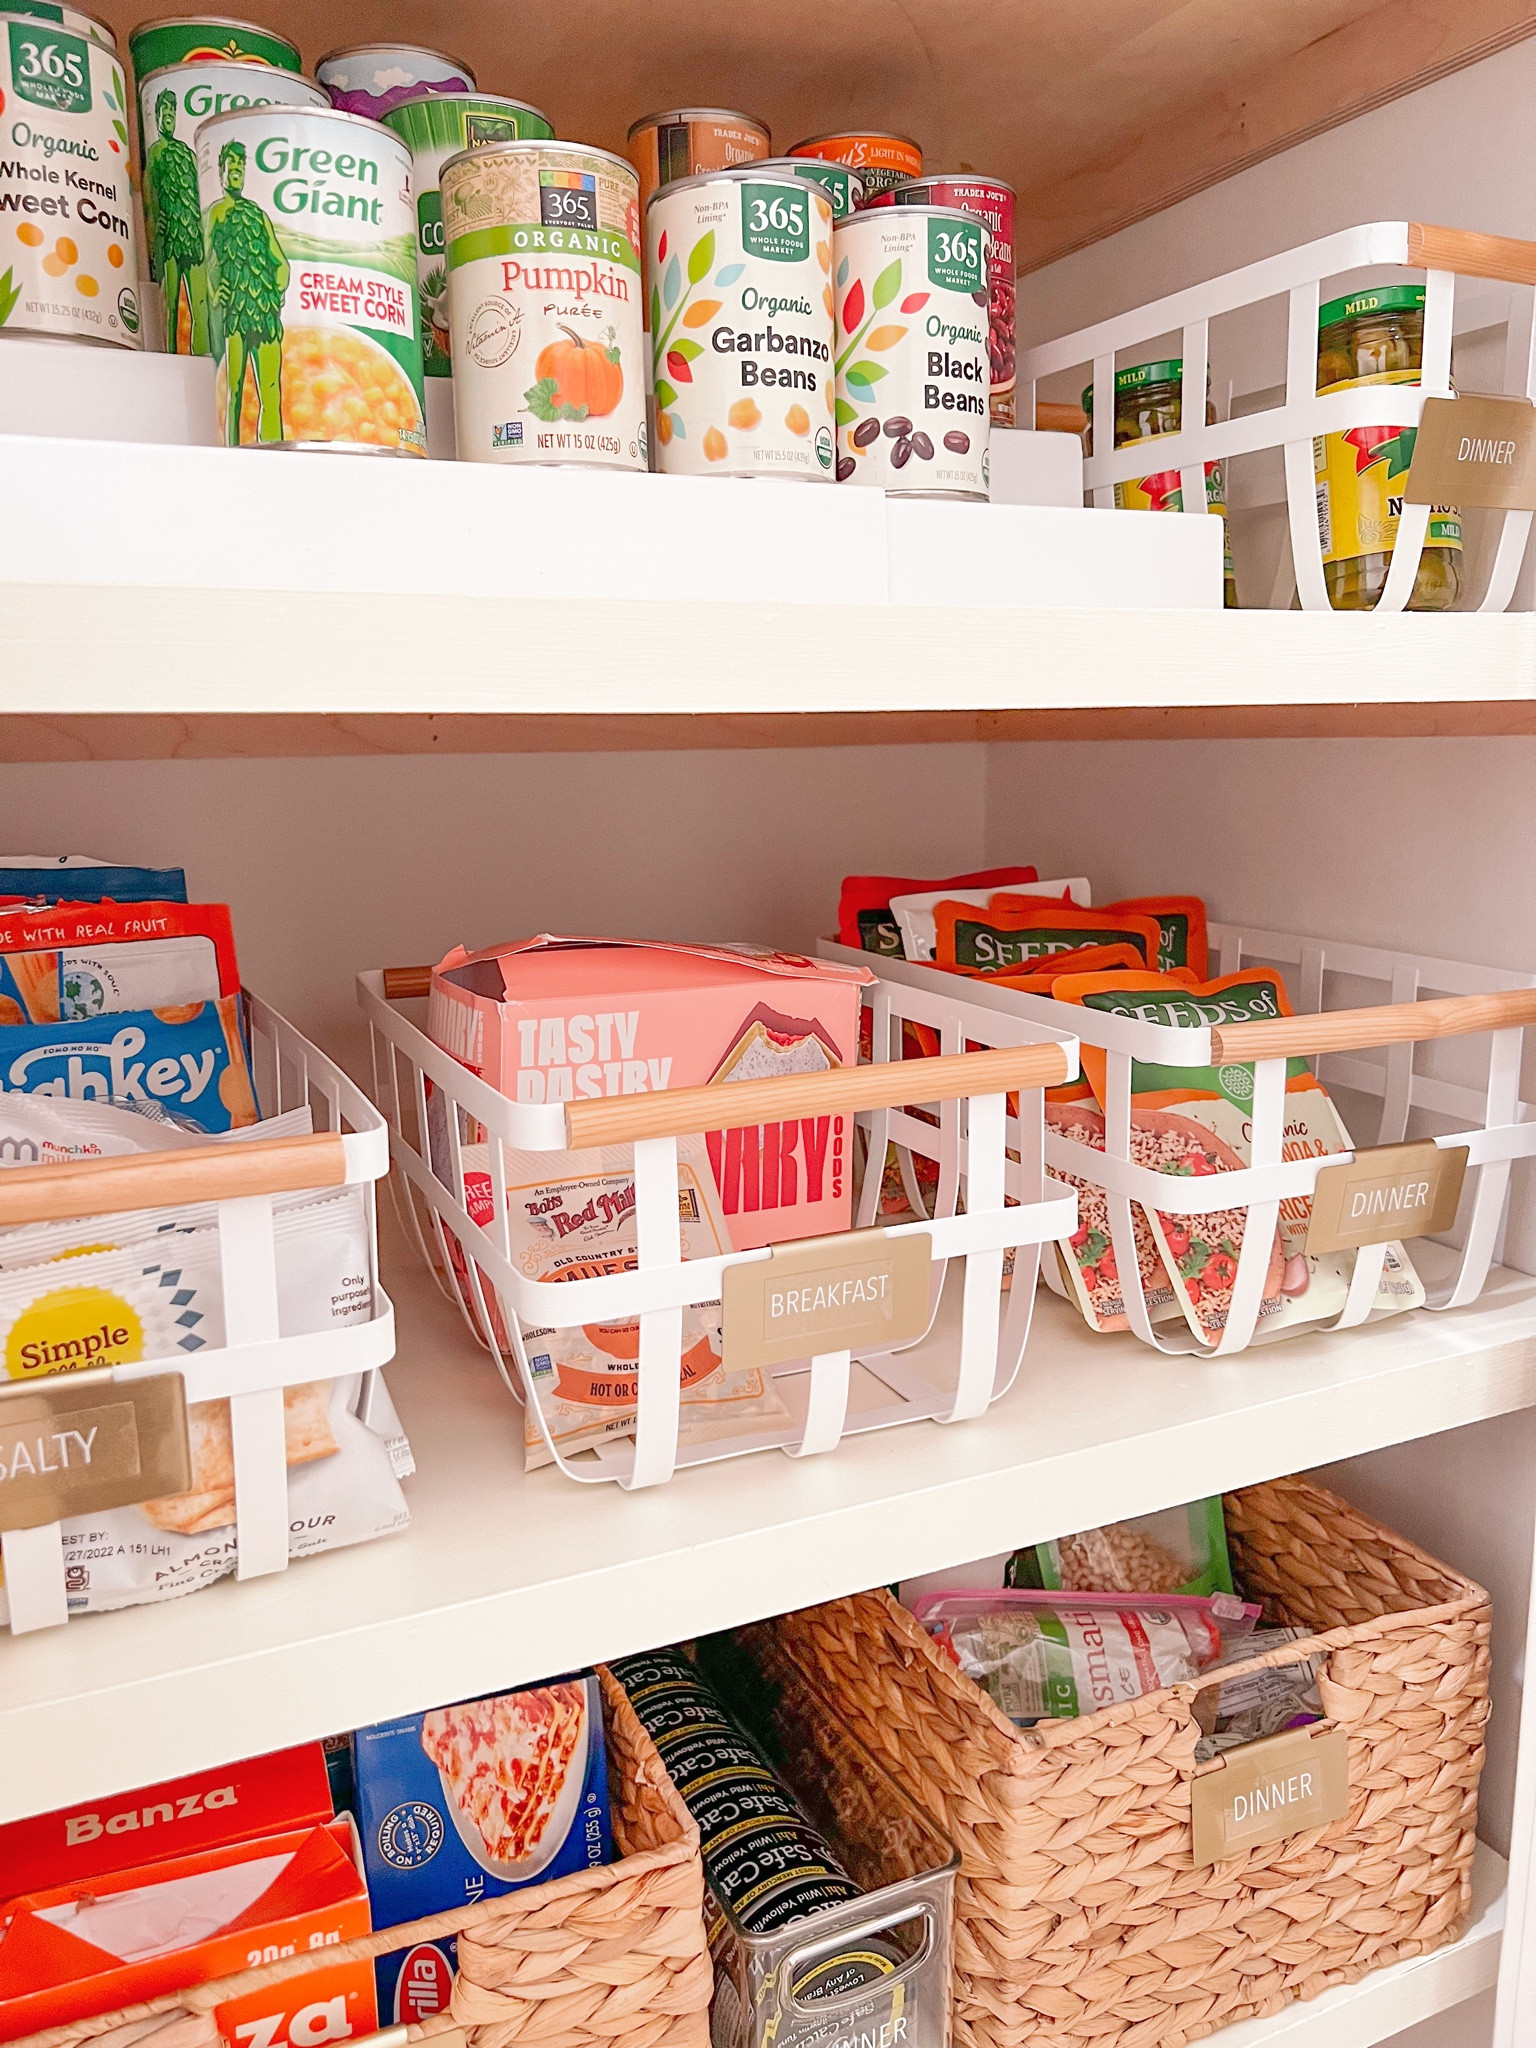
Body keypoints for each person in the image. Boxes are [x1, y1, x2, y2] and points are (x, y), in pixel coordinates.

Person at [206, 139, 287, 444]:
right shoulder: (215, 213)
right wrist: (215, 294)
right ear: (221, 172)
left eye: (241, 167)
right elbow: (206, 259)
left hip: (264, 312)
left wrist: (276, 292)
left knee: (271, 392)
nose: (237, 172)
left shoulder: (258, 214)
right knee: (234, 390)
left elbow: (281, 264)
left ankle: (278, 457)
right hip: (236, 314)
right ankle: (232, 453)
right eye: (232, 167)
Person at [142, 89, 208, 355]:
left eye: (171, 112)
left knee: (199, 302)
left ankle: (201, 352)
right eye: (163, 113)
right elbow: (149, 193)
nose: (168, 118)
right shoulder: (156, 151)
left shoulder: (187, 153)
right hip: (169, 239)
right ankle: (173, 353)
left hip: (192, 238)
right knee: (170, 304)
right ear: (156, 117)